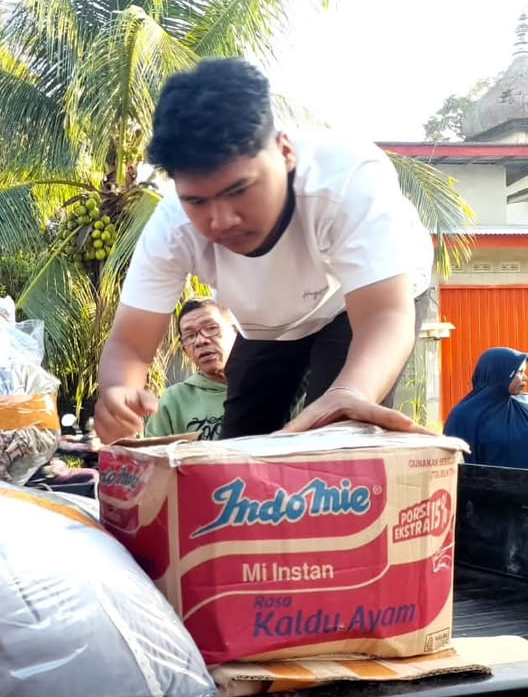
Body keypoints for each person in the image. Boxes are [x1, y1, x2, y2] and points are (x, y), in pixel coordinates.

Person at [95, 58, 434, 445]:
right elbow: (130, 344)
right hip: (268, 322)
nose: (220, 220)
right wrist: (118, 392)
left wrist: (351, 393)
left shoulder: (346, 181)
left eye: (239, 190)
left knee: (334, 437)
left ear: (285, 151)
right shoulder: (171, 227)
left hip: (360, 302)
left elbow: (384, 315)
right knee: (239, 445)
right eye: (197, 201)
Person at [144, 298, 237, 440]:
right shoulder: (173, 401)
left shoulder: (267, 386)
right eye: (190, 336)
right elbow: (152, 459)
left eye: (211, 328)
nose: (201, 341)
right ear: (186, 351)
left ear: (237, 332)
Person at [443, 347, 528, 469]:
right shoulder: (464, 417)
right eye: (519, 372)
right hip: (487, 486)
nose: (525, 378)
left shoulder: (523, 405)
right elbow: (456, 466)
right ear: (500, 374)